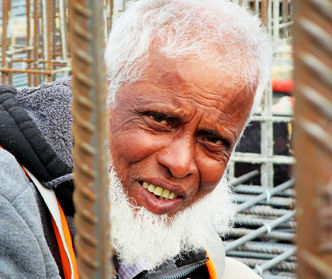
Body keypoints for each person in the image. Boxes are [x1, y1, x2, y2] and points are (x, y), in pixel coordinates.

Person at [0, 0, 271, 278]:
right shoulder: (10, 199)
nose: (180, 164)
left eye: (213, 140)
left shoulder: (193, 233)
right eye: (160, 120)